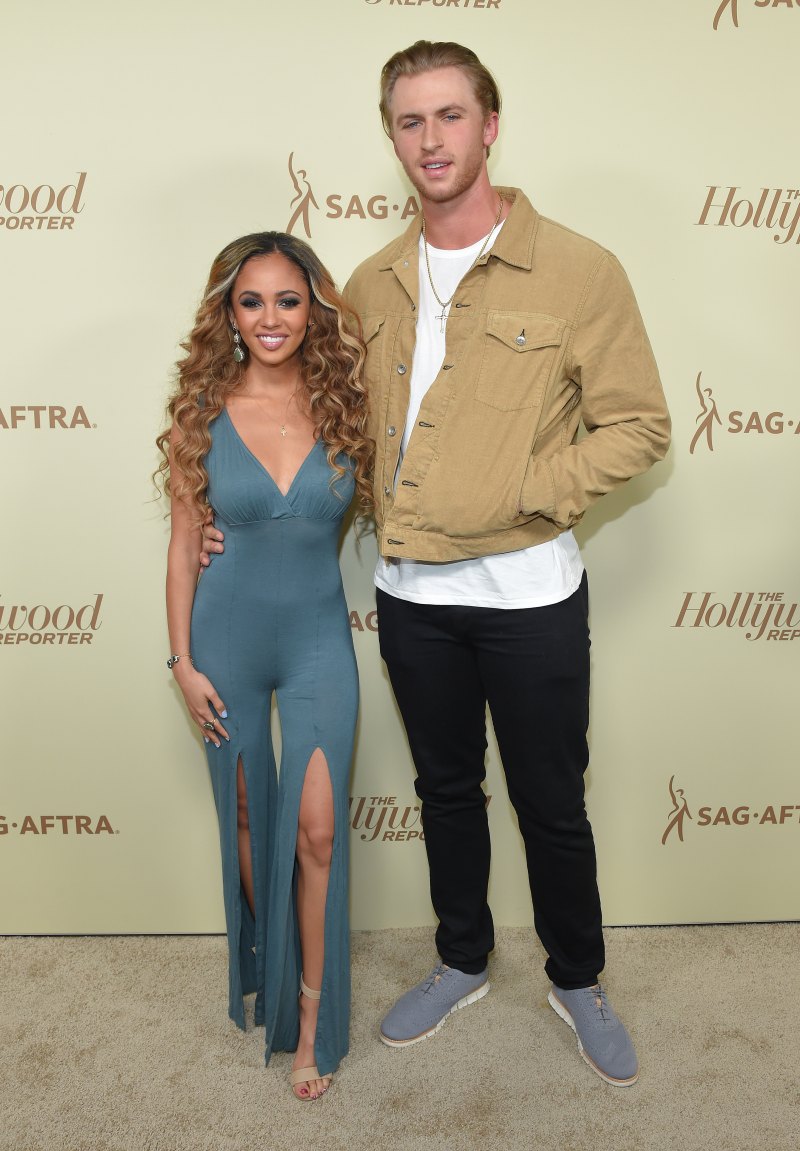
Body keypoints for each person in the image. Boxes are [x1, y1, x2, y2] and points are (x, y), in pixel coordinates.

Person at [202, 41, 671, 1087]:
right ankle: (461, 955)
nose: (430, 141)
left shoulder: (579, 269)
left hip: (528, 589)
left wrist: (525, 486)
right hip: (410, 595)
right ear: (391, 137)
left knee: (550, 796)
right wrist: (243, 519)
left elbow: (638, 426)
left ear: (488, 126)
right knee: (444, 788)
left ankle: (577, 975)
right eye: (408, 122)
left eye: (449, 117)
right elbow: (313, 416)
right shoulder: (365, 283)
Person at [157, 232, 372, 1101]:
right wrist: (181, 662)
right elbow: (181, 551)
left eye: (289, 299)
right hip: (225, 637)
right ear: (229, 314)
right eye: (252, 301)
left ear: (312, 308)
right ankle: (276, 962)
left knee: (316, 829)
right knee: (248, 817)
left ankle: (310, 1020)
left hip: (320, 633)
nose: (271, 318)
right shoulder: (201, 411)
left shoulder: (349, 403)